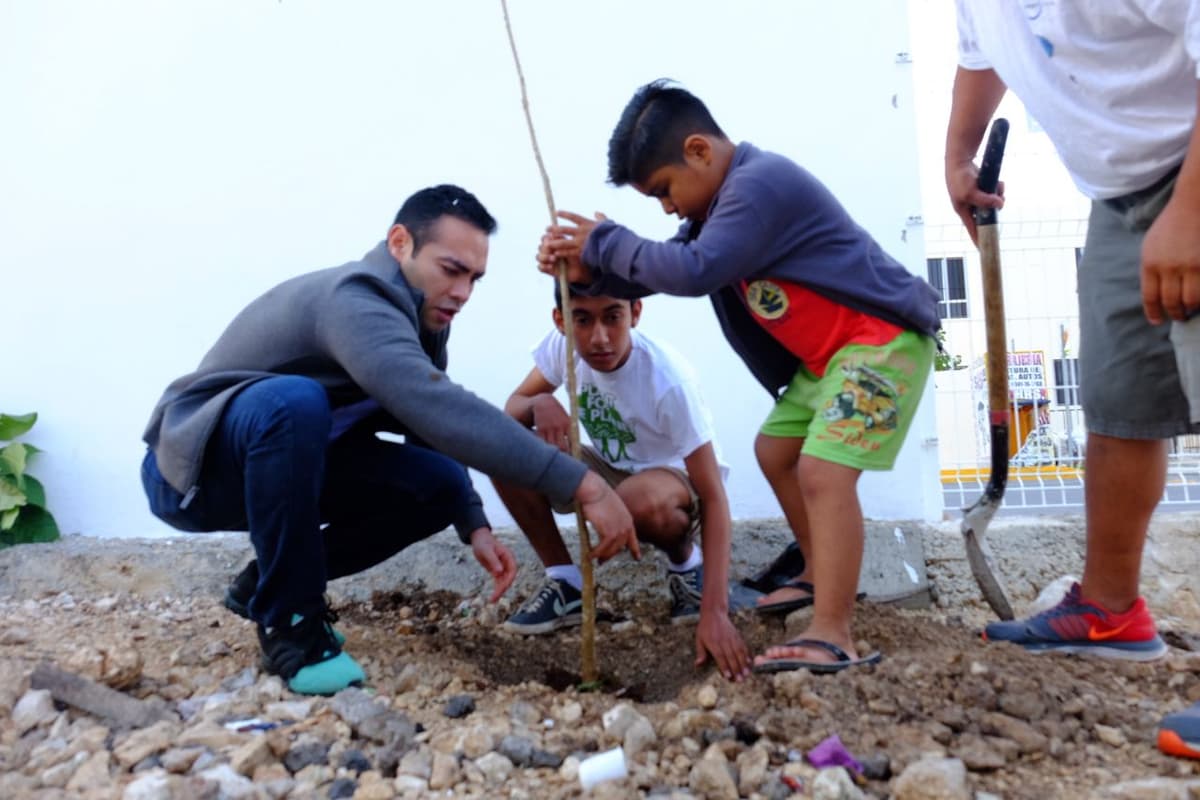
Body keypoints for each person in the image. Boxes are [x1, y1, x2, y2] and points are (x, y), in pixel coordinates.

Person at [140, 184, 635, 696]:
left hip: (288, 471)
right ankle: (292, 627)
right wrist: (584, 484)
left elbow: (427, 425)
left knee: (440, 485)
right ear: (400, 243)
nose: (463, 292)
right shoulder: (356, 301)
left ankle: (266, 584)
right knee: (293, 403)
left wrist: (472, 521)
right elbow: (435, 404)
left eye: (474, 278)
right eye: (451, 270)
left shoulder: (423, 319)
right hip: (193, 475)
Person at [538, 80, 941, 673]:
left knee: (824, 471)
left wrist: (609, 242)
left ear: (699, 151)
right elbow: (660, 271)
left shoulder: (759, 185)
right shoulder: (719, 209)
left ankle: (833, 632)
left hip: (881, 344)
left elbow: (694, 270)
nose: (667, 208)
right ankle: (817, 570)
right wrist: (587, 268)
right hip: (831, 362)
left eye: (664, 190)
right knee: (776, 451)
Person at [947, 1, 1200, 759]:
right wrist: (957, 156)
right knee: (1120, 406)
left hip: (1190, 172)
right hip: (1120, 197)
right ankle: (1109, 612)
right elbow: (980, 52)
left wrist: (1191, 211)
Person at [493, 284, 752, 680]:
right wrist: (538, 402)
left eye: (613, 317)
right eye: (582, 320)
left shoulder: (668, 379)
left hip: (674, 484)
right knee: (502, 448)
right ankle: (565, 583)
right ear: (561, 320)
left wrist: (715, 611)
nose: (599, 337)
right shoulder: (563, 347)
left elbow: (714, 494)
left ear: (635, 313)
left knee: (637, 500)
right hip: (610, 471)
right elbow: (511, 408)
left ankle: (687, 566)